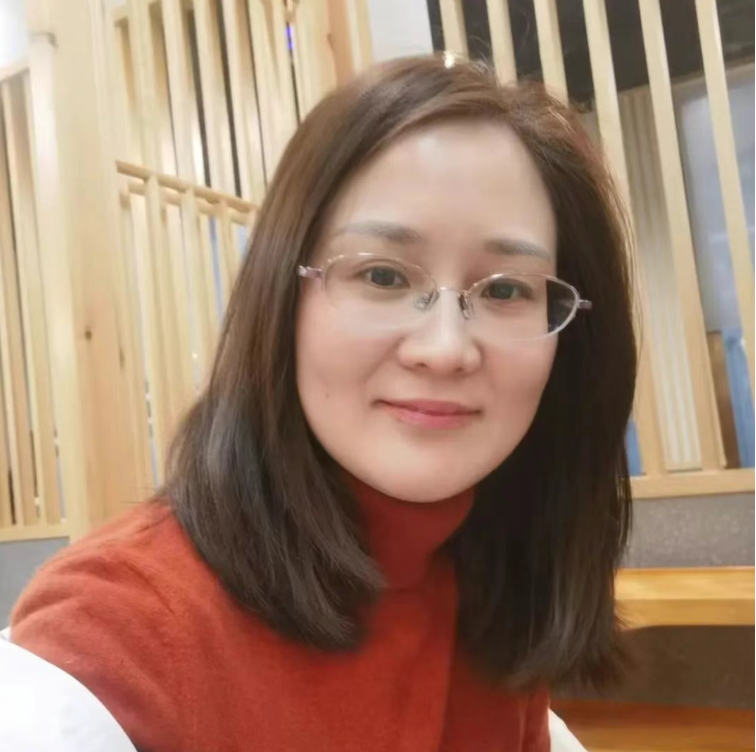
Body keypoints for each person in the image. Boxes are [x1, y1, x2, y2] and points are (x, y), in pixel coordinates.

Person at [10, 55, 635, 751]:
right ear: (282, 298)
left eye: (507, 289)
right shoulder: (118, 634)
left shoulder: (496, 579)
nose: (445, 348)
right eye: (383, 275)